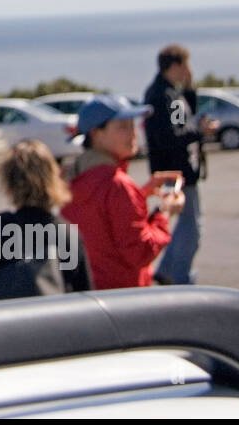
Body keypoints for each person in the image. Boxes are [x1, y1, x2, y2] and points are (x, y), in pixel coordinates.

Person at [62, 95, 186, 289]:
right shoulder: (118, 185)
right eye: (123, 127)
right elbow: (141, 251)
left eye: (133, 125)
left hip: (89, 294)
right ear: (96, 134)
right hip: (124, 299)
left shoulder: (74, 177)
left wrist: (141, 194)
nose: (133, 133)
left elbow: (100, 220)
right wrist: (165, 212)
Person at [0, 139, 92, 302]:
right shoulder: (66, 232)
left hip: (12, 322)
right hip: (56, 323)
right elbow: (85, 293)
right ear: (53, 177)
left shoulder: (3, 227)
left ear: (9, 182)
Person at [143, 44, 218, 284]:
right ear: (174, 66)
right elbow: (175, 133)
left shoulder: (168, 93)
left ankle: (169, 270)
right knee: (192, 227)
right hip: (178, 170)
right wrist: (200, 131)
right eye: (185, 65)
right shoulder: (164, 96)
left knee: (185, 223)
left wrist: (188, 88)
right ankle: (179, 276)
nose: (188, 70)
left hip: (175, 169)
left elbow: (183, 119)